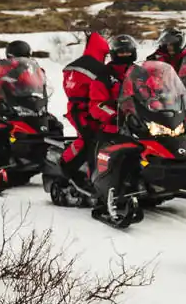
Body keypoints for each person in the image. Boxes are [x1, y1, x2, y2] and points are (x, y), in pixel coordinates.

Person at [59, 32, 137, 190]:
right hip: (114, 123)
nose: (124, 55)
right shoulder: (103, 75)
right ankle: (94, 180)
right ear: (114, 53)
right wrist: (115, 115)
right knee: (93, 141)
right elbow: (97, 104)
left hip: (137, 121)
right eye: (121, 51)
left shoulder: (139, 73)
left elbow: (151, 93)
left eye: (127, 51)